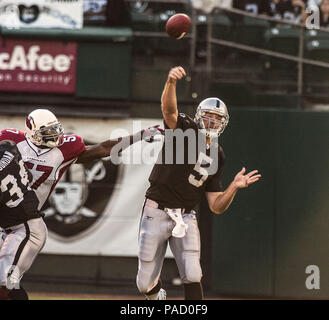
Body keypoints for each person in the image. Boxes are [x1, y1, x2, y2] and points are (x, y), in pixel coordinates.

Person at [0, 108, 162, 300]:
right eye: (47, 132)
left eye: (55, 130)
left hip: (26, 222)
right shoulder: (11, 140)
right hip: (5, 219)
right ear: (32, 133)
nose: (54, 136)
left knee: (7, 281)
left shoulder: (66, 149)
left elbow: (103, 148)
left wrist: (140, 135)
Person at [136, 66, 262, 300]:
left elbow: (216, 206)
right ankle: (157, 297)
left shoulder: (218, 154)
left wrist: (233, 187)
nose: (212, 123)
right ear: (198, 116)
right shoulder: (184, 129)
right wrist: (171, 82)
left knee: (193, 274)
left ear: (223, 124)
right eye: (208, 117)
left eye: (217, 120)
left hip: (186, 216)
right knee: (144, 284)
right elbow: (169, 111)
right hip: (156, 210)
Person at [0, 140, 44, 300]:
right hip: (11, 226)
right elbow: (29, 176)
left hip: (25, 229)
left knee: (7, 282)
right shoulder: (9, 147)